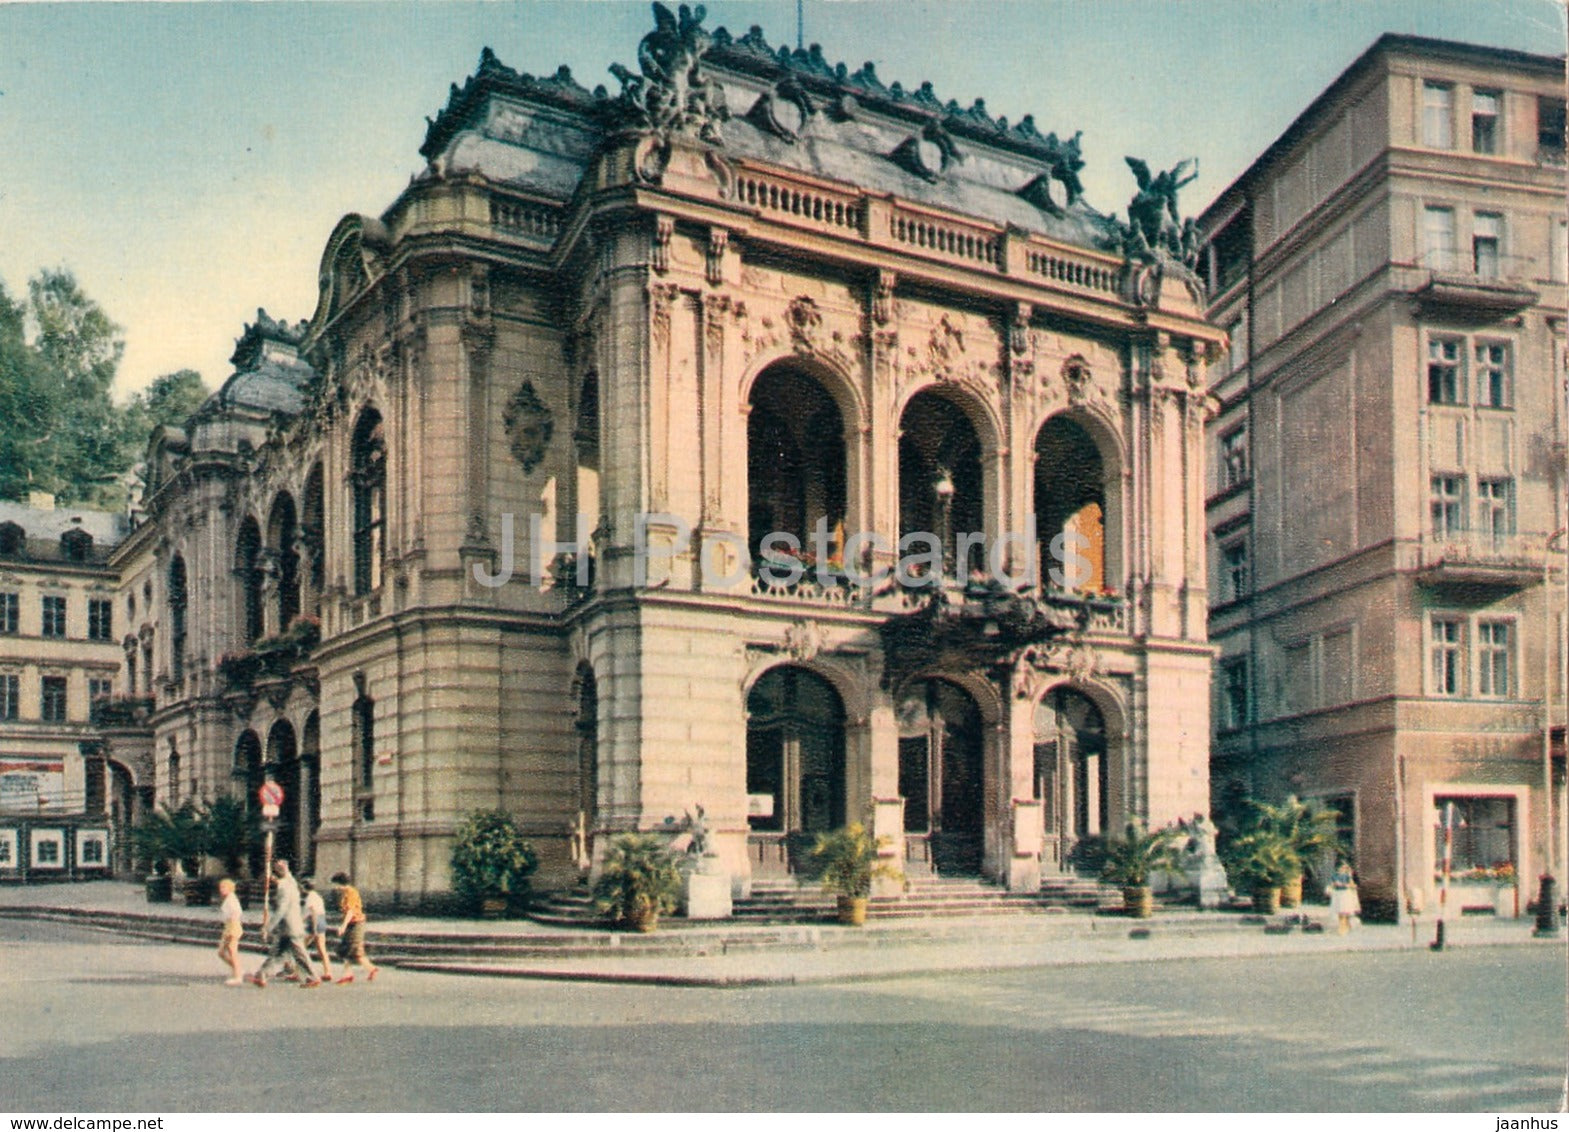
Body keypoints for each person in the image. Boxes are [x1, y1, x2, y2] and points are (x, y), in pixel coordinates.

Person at [247, 859, 319, 989]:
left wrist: (268, 927)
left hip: (290, 926)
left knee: (299, 954)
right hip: (290, 926)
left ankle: (313, 976)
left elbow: (282, 909)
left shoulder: (284, 886)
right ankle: (261, 975)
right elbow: (288, 876)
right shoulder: (291, 882)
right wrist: (283, 871)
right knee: (278, 953)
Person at [331, 871, 379, 984]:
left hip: (356, 923)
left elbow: (350, 911)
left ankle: (354, 973)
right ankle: (366, 970)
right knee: (347, 949)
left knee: (353, 949)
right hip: (352, 924)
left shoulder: (351, 892)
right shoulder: (345, 893)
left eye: (335, 884)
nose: (335, 887)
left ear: (339, 883)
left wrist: (343, 926)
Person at [301, 878, 334, 983]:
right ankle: (328, 971)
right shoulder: (317, 897)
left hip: (314, 922)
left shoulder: (310, 898)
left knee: (300, 948)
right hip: (321, 920)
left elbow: (313, 912)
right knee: (321, 948)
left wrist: (314, 929)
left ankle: (298, 972)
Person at [216, 878, 244, 986]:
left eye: (224, 887)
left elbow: (237, 913)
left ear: (230, 888)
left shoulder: (232, 899)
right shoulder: (228, 898)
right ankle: (238, 970)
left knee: (232, 951)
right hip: (228, 926)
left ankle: (238, 976)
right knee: (221, 952)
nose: (221, 889)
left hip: (233, 926)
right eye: (221, 887)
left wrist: (231, 927)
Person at [1330, 858, 1361, 935]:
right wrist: (1335, 885)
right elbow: (1333, 884)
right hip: (1338, 894)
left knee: (1345, 912)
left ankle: (1344, 927)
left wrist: (1347, 882)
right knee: (1340, 912)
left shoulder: (1348, 876)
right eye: (1342, 867)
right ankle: (1342, 927)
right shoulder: (1335, 875)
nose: (1344, 869)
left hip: (1346, 894)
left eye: (1345, 867)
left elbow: (1353, 885)